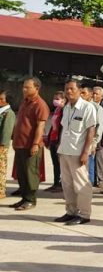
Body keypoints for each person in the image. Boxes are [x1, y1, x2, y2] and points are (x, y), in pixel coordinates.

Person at [54, 79, 97, 225]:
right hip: (65, 150)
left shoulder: (87, 107)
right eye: (67, 89)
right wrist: (60, 147)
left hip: (78, 152)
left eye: (72, 89)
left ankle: (84, 214)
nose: (69, 91)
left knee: (81, 184)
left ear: (79, 90)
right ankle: (71, 212)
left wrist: (85, 152)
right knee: (67, 184)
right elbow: (64, 129)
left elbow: (91, 130)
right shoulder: (66, 107)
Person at [10, 76, 50, 211]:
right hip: (20, 144)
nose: (24, 89)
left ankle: (31, 200)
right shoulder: (24, 102)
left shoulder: (40, 105)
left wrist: (35, 144)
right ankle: (24, 198)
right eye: (24, 87)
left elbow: (40, 126)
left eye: (27, 87)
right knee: (21, 174)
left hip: (30, 145)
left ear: (36, 88)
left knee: (30, 174)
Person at [80, 86, 103, 187]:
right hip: (79, 141)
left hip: (90, 142)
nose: (81, 95)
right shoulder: (79, 106)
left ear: (89, 94)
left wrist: (94, 143)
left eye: (83, 93)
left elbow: (99, 127)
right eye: (80, 93)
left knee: (89, 163)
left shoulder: (97, 108)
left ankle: (89, 185)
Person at [43, 91, 65, 193]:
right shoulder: (57, 110)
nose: (55, 101)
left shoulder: (64, 111)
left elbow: (63, 127)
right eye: (54, 98)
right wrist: (48, 139)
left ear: (64, 100)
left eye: (57, 99)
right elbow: (53, 126)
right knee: (55, 163)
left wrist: (60, 142)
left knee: (60, 163)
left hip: (58, 141)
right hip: (53, 139)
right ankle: (56, 183)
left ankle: (61, 184)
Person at [0, 90, 16, 199]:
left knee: (0, 169)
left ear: (7, 100)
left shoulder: (9, 113)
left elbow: (7, 131)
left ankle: (1, 191)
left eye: (1, 99)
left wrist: (2, 145)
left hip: (1, 145)